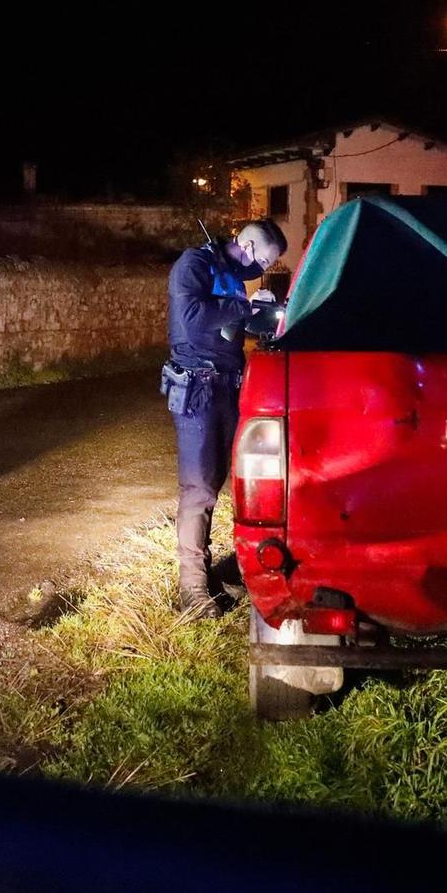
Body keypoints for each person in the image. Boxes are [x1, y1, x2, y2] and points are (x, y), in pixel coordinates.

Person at [164, 218, 286, 613]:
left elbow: (235, 324)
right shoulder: (193, 264)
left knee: (233, 480)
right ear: (248, 248)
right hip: (197, 386)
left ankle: (226, 573)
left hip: (229, 385)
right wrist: (243, 305)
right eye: (265, 263)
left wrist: (266, 315)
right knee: (198, 487)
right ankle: (193, 588)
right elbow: (195, 317)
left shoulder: (232, 275)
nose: (263, 271)